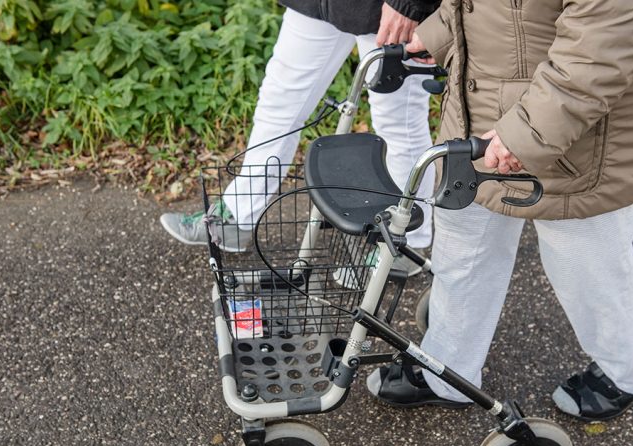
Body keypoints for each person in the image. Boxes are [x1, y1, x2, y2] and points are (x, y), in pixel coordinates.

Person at [367, 0, 633, 421]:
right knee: (464, 235)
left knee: (585, 259)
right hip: (484, 104)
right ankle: (449, 369)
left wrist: (527, 133)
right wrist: (441, 32)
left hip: (584, 131)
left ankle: (632, 370)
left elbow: (600, 50)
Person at [160, 0, 440, 274]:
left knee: (398, 122)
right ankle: (238, 216)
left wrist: (408, 5)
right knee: (280, 100)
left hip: (392, 8)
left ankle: (406, 245)